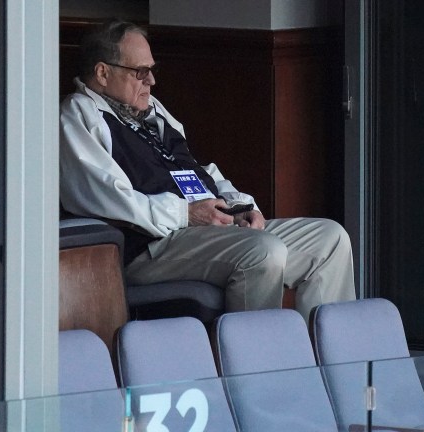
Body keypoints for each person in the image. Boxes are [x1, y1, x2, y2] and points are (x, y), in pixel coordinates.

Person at [59, 19, 355, 321]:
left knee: (330, 240)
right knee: (263, 251)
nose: (151, 81)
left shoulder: (151, 109)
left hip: (206, 229)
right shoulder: (79, 115)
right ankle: (257, 364)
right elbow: (109, 198)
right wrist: (187, 214)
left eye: (151, 70)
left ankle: (332, 363)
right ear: (102, 72)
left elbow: (199, 170)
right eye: (140, 72)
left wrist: (240, 206)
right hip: (153, 247)